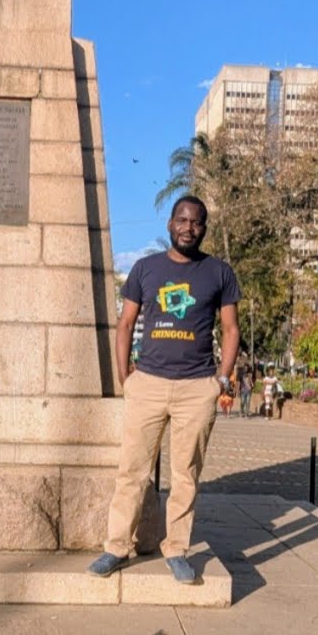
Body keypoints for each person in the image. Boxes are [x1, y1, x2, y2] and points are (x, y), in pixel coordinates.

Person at [88, 195, 241, 585]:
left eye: (196, 222)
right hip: (149, 384)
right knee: (132, 471)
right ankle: (116, 547)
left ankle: (176, 549)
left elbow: (230, 330)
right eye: (182, 220)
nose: (188, 227)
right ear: (170, 223)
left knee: (185, 473)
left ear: (204, 228)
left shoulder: (219, 273)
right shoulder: (145, 269)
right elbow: (125, 325)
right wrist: (127, 377)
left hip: (196, 387)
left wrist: (220, 381)